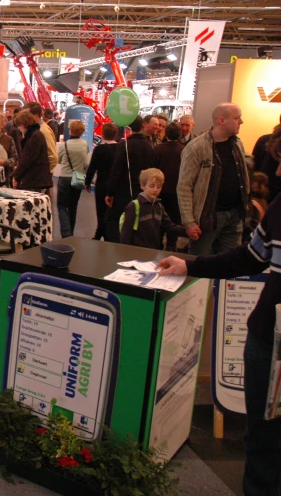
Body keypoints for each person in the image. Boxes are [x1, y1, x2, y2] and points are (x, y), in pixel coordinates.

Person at [156, 137, 281, 496]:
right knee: (262, 439)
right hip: (267, 342)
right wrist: (191, 264)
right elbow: (250, 258)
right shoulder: (278, 209)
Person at [178, 102, 250, 256]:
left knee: (230, 264)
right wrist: (189, 222)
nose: (241, 122)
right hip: (207, 219)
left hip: (234, 216)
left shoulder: (237, 144)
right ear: (222, 120)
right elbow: (184, 187)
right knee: (199, 264)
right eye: (237, 118)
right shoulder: (196, 147)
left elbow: (243, 177)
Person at [104, 115, 156, 243]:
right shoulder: (148, 146)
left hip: (123, 190)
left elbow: (116, 170)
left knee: (112, 220)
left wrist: (110, 192)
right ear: (142, 126)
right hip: (141, 190)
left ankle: (118, 244)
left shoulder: (124, 145)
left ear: (128, 127)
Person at [119, 168, 186, 249]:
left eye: (159, 186)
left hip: (154, 252)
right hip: (137, 253)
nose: (155, 190)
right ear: (142, 185)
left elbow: (169, 227)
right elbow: (125, 234)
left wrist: (188, 231)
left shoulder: (159, 207)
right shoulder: (133, 206)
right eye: (152, 186)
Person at [85, 123, 119, 241]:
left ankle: (100, 232)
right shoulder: (120, 148)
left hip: (101, 184)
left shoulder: (99, 149)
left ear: (103, 134)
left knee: (100, 211)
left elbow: (92, 167)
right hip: (115, 185)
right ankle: (105, 233)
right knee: (112, 212)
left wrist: (87, 182)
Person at [154, 122, 185, 251]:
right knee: (174, 220)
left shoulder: (158, 149)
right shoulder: (184, 150)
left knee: (159, 218)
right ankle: (171, 245)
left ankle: (158, 243)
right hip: (177, 191)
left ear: (166, 133)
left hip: (160, 190)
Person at [56, 120, 89, 238]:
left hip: (65, 177)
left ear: (70, 130)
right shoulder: (85, 144)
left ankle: (66, 233)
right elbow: (85, 161)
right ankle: (71, 232)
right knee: (73, 206)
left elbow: (58, 160)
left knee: (62, 206)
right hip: (79, 177)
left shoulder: (64, 145)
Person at [11, 111, 52, 193]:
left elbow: (27, 160)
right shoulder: (36, 134)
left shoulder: (34, 137)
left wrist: (16, 176)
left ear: (24, 124)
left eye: (19, 125)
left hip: (34, 180)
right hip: (36, 179)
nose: (19, 128)